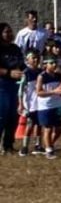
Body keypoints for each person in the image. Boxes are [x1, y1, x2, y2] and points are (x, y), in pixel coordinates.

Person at [34, 51, 61, 159]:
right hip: (45, 106)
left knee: (60, 128)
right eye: (51, 63)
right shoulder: (41, 76)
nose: (54, 65)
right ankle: (48, 150)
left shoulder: (58, 75)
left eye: (55, 62)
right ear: (45, 65)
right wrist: (54, 92)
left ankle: (50, 144)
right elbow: (39, 92)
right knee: (48, 128)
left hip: (58, 105)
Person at [0, 23, 24, 155]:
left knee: (13, 116)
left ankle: (8, 145)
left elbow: (22, 64)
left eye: (10, 31)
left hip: (15, 86)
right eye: (6, 32)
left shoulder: (15, 48)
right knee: (1, 116)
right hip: (2, 86)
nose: (9, 34)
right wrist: (9, 73)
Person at [17, 50, 42, 155]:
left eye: (37, 57)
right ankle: (24, 147)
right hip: (30, 104)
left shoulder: (41, 72)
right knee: (30, 124)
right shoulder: (26, 73)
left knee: (39, 124)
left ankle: (38, 145)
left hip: (39, 103)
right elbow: (21, 90)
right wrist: (21, 104)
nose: (35, 60)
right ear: (28, 60)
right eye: (33, 58)